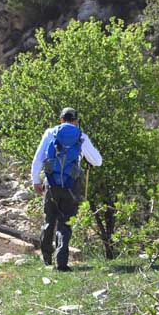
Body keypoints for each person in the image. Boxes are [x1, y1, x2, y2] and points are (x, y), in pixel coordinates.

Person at [31, 107, 102, 272]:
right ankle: (61, 263)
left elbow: (38, 158)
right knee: (65, 224)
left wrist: (36, 180)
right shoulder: (81, 136)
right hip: (71, 186)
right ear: (75, 120)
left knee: (49, 220)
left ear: (61, 119)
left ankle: (46, 259)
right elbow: (98, 161)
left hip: (50, 184)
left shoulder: (50, 133)